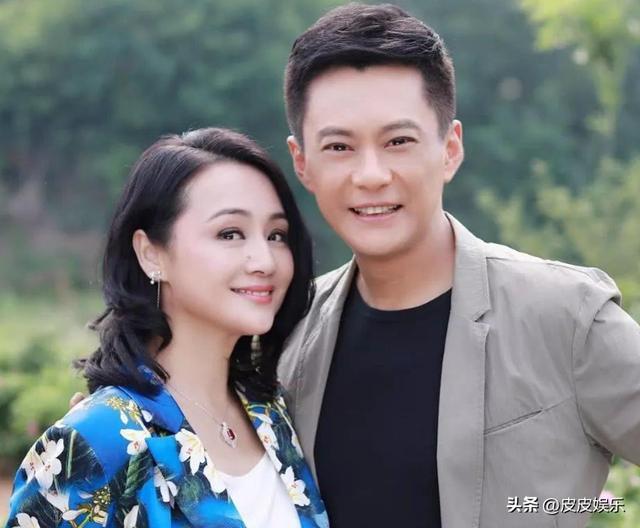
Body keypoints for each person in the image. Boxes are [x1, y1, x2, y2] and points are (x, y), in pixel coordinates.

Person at [277, 3, 640, 528]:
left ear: (450, 149)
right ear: (302, 162)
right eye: (339, 146)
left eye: (398, 141)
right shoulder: (289, 333)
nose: (371, 174)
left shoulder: (566, 316)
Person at [4, 128, 328, 528]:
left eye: (276, 235)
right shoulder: (96, 442)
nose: (265, 260)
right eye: (230, 233)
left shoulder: (273, 412)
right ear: (150, 254)